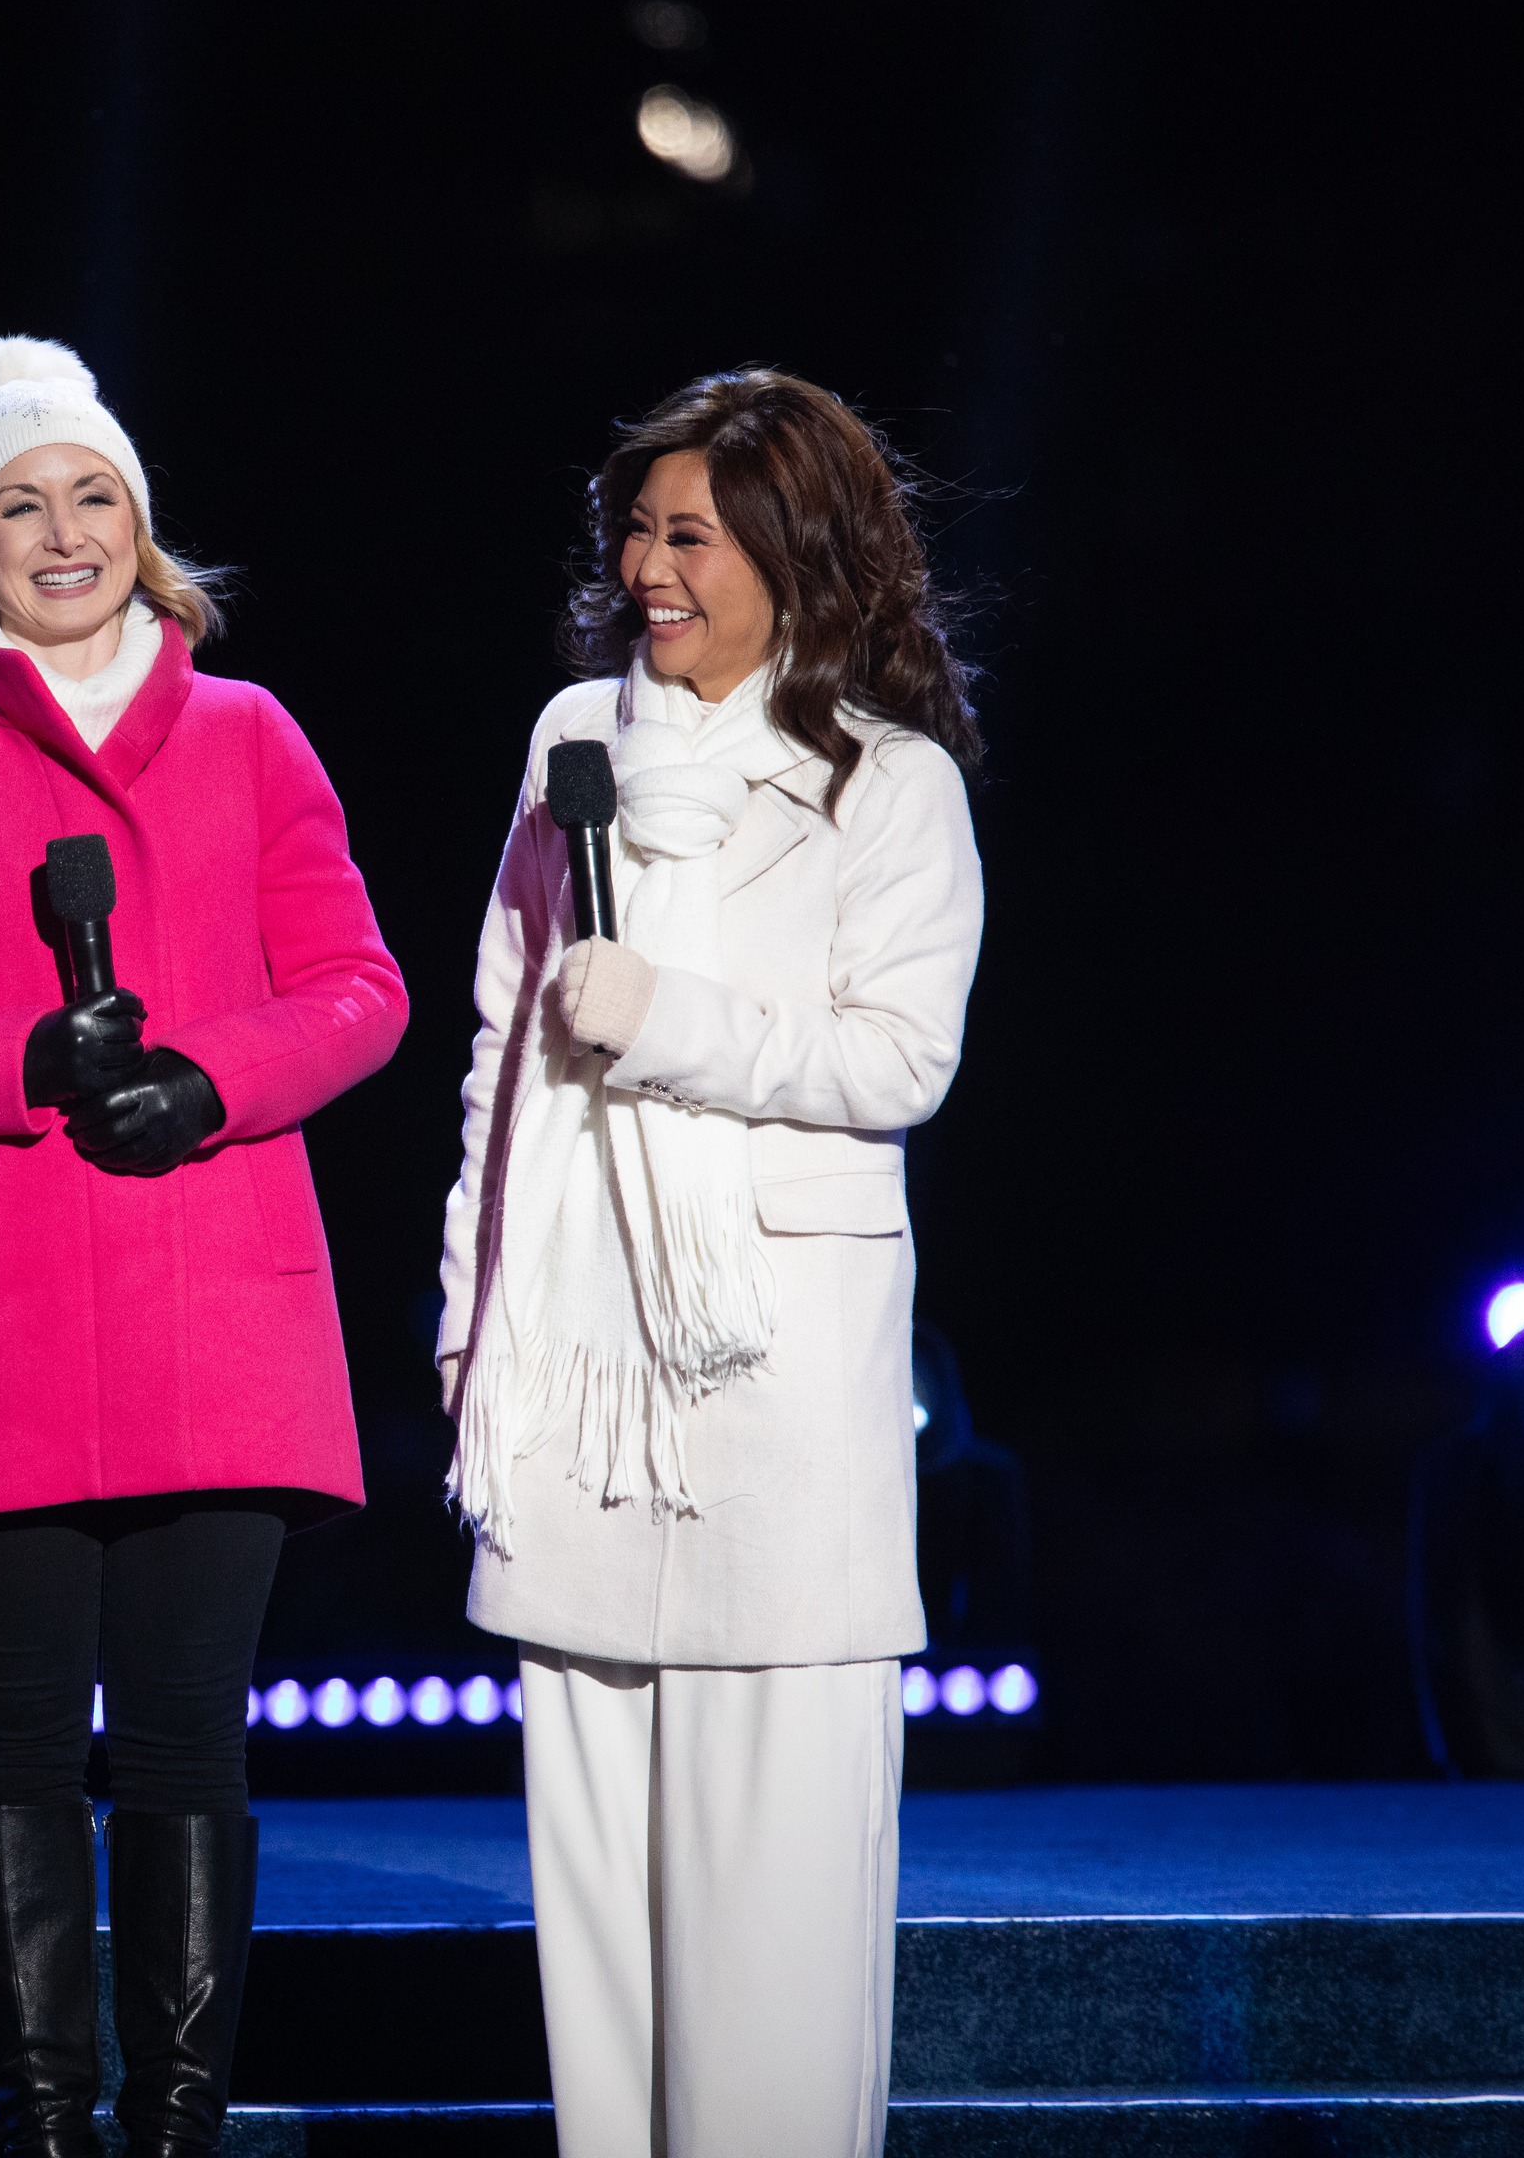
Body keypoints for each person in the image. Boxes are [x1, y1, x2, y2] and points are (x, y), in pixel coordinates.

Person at [0, 338, 406, 2156]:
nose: (65, 534)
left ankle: (177, 2125)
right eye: (20, 507)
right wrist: (16, 1060)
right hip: (11, 1318)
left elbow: (361, 989)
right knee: (19, 1745)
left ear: (143, 523)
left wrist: (208, 1081)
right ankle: (45, 2125)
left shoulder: (252, 732)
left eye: (95, 498)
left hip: (225, 1297)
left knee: (194, 1735)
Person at [434, 371, 984, 2155]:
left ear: (792, 553)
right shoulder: (568, 746)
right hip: (582, 1385)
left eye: (691, 533)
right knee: (600, 1926)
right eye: (641, 530)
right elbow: (504, 1055)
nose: (647, 565)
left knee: (775, 1941)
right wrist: (471, 1319)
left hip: (772, 1388)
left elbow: (895, 1062)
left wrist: (674, 1021)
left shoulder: (888, 788)